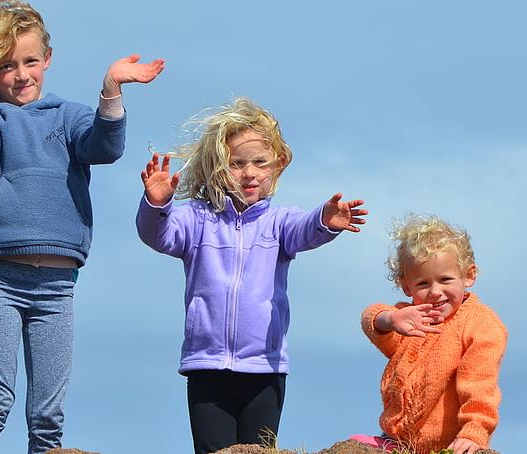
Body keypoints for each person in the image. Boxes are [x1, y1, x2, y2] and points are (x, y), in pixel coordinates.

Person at [0, 1, 164, 453]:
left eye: (30, 61)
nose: (21, 75)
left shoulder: (70, 116)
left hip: (58, 287)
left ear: (48, 60)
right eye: (7, 66)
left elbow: (105, 147)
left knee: (47, 413)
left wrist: (112, 88)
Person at [136, 97, 368, 454]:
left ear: (277, 165)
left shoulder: (279, 222)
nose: (249, 173)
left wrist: (324, 219)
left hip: (265, 368)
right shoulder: (198, 219)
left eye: (260, 163)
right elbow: (158, 236)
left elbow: (305, 229)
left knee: (259, 451)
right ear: (218, 167)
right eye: (237, 164)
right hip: (207, 366)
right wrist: (157, 204)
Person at [351, 214, 507, 454]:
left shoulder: (480, 325)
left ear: (469, 275)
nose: (435, 292)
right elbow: (370, 318)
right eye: (423, 284)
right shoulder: (410, 317)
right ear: (406, 286)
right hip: (397, 441)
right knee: (353, 446)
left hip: (451, 444)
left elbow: (480, 386)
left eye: (446, 279)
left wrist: (474, 433)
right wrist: (391, 319)